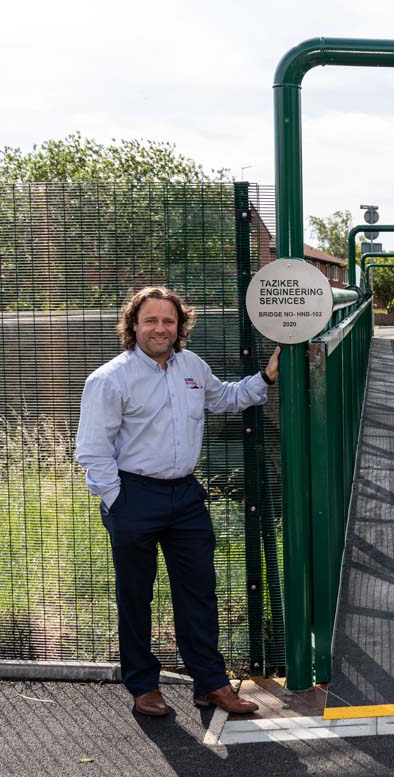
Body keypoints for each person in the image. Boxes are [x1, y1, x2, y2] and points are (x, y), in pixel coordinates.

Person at [76, 286, 280, 717]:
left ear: (180, 325)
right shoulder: (110, 378)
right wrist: (119, 501)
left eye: (168, 320)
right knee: (136, 596)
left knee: (200, 594)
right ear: (133, 325)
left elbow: (223, 397)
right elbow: (93, 451)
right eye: (150, 320)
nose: (160, 328)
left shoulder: (191, 366)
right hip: (134, 497)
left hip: (186, 497)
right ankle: (143, 686)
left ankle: (211, 685)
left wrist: (265, 378)